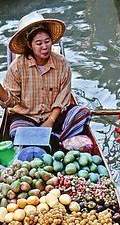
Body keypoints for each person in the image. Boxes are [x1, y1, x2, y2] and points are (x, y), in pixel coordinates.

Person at [0, 12, 91, 146]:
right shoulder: (17, 66)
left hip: (54, 116)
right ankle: (56, 140)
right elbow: (12, 102)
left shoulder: (62, 64)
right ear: (30, 45)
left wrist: (50, 121)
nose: (44, 47)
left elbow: (63, 98)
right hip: (27, 116)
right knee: (15, 131)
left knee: (82, 113)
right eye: (39, 43)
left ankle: (48, 139)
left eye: (47, 41)